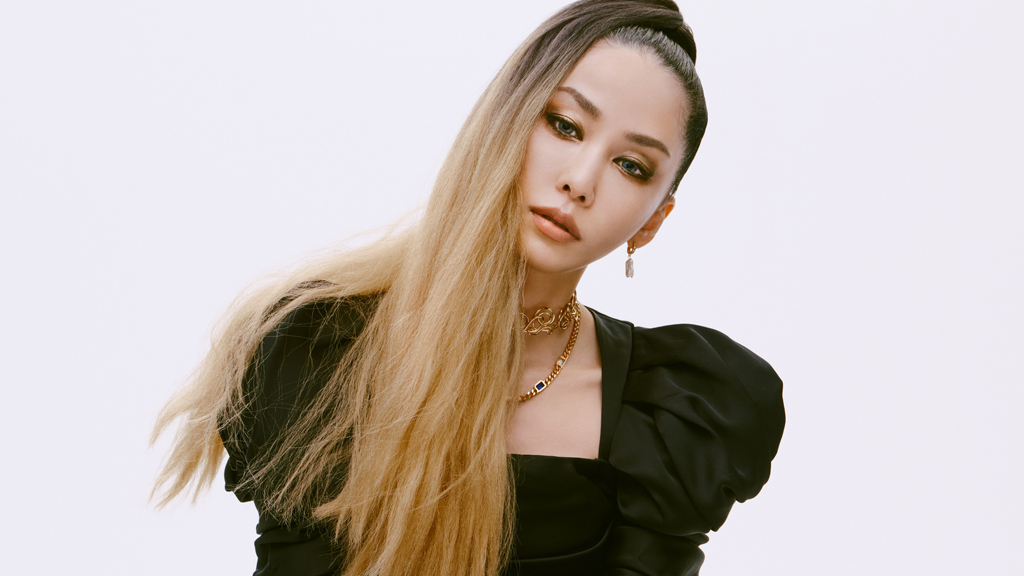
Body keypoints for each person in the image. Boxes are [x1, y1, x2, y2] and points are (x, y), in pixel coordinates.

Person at [151, 1, 785, 575]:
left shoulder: (679, 417)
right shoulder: (316, 350)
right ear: (504, 119)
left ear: (653, 220)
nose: (581, 180)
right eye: (565, 125)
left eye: (631, 165)